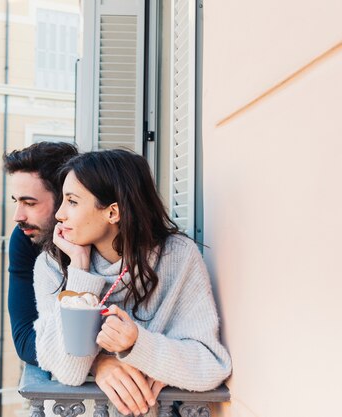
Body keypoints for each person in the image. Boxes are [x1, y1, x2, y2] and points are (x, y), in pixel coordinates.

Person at [32, 149, 232, 415]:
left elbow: (210, 365)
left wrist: (136, 344)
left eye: (72, 202)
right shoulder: (52, 266)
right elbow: (68, 369)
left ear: (113, 212)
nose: (59, 214)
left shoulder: (178, 257)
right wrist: (79, 271)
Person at [3, 142, 78, 365]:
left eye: (29, 203)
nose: (18, 216)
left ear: (65, 199)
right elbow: (26, 342)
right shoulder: (25, 239)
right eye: (17, 201)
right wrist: (98, 363)